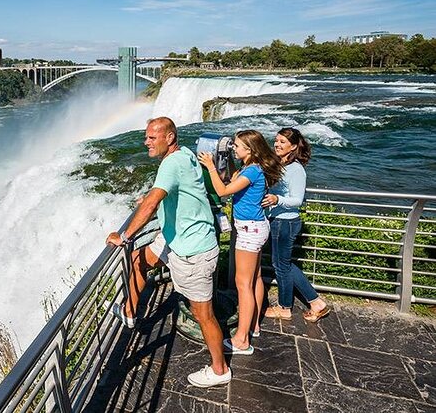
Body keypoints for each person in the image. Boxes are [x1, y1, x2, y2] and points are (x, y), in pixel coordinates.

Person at [106, 117, 231, 388]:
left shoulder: (171, 163)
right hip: (173, 237)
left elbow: (153, 202)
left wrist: (125, 235)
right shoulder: (184, 154)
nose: (146, 142)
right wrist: (151, 196)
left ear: (170, 137)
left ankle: (220, 369)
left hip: (193, 249)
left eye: (152, 137)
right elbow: (175, 190)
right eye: (146, 136)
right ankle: (129, 312)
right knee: (139, 259)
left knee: (203, 315)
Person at [198, 130, 282, 355]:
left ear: (250, 150)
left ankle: (242, 340)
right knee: (254, 279)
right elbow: (234, 178)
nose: (234, 148)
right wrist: (227, 158)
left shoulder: (253, 171)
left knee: (242, 284)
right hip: (256, 227)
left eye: (237, 146)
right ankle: (253, 325)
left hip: (249, 230)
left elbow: (223, 190)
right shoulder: (251, 168)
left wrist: (210, 166)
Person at [261, 128, 329, 322]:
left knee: (281, 266)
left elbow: (298, 200)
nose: (277, 144)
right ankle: (316, 303)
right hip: (278, 220)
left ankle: (285, 307)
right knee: (283, 264)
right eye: (276, 140)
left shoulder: (296, 169)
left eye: (283, 142)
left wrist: (277, 199)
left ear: (293, 146)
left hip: (286, 222)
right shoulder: (279, 164)